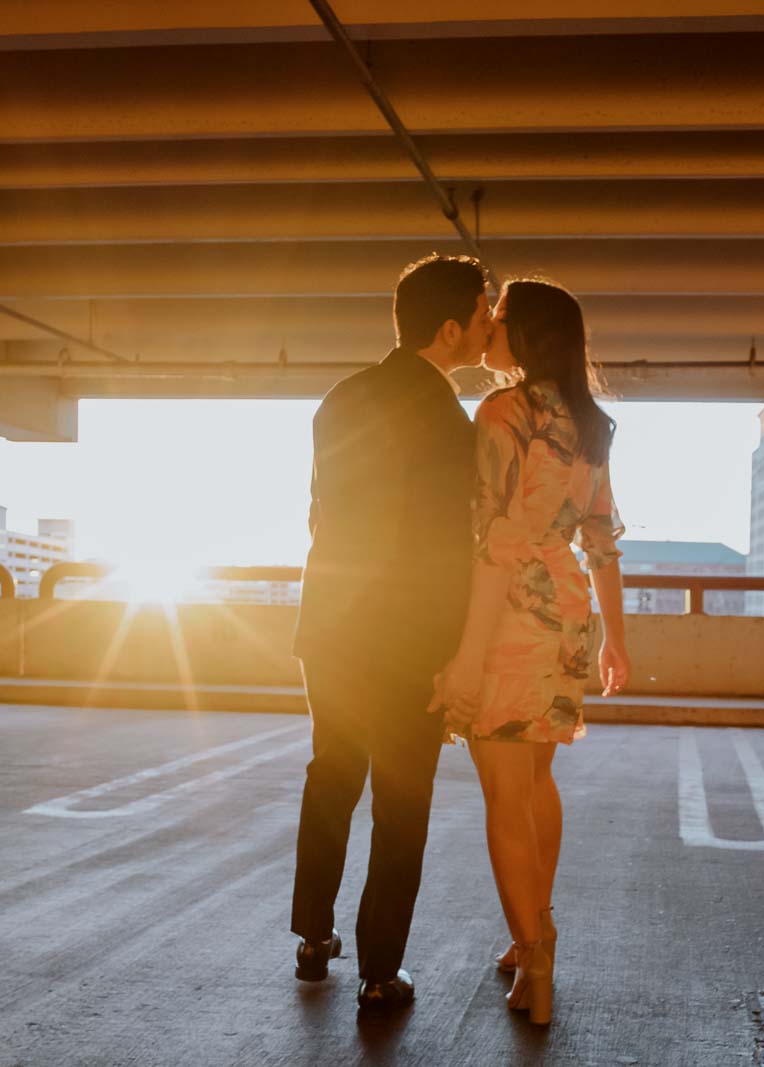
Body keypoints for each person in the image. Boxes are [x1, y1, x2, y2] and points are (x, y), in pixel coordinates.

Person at [289, 253, 491, 1012]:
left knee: (330, 775)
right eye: (481, 314)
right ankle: (379, 970)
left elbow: (321, 513)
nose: (487, 325)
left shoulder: (339, 399)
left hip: (333, 626)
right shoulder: (449, 422)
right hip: (407, 639)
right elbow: (446, 548)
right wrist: (450, 651)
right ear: (448, 329)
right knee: (401, 803)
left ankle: (313, 937)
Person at [431, 278, 631, 1026]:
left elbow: (492, 547)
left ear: (530, 332)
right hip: (567, 614)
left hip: (511, 615)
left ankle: (535, 955)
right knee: (537, 780)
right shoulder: (588, 424)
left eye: (502, 316)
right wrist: (617, 639)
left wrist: (465, 655)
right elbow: (601, 540)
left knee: (502, 795)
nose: (492, 325)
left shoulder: (500, 413)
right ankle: (533, 932)